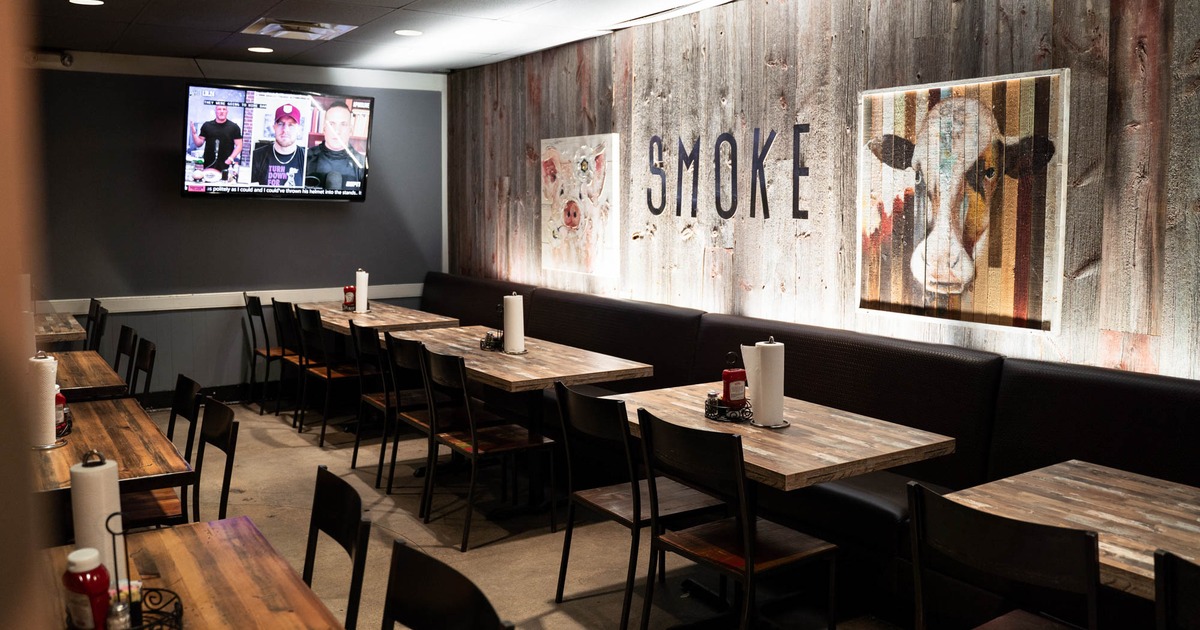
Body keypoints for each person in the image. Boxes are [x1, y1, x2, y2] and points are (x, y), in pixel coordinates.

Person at [305, 101, 366, 190]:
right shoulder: (305, 158)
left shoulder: (362, 164)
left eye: (343, 124)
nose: (337, 131)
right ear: (324, 128)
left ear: (350, 130)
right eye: (332, 124)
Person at [250, 103, 306, 186]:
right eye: (280, 124)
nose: (285, 130)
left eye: (291, 125)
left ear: (298, 129)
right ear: (274, 127)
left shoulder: (306, 158)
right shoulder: (256, 156)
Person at [189, 103, 243, 177]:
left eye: (224, 109)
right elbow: (199, 143)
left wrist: (230, 158)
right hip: (209, 163)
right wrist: (194, 134)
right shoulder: (207, 125)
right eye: (219, 109)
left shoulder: (234, 127)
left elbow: (239, 145)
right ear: (215, 111)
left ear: (227, 111)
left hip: (226, 163)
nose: (221, 111)